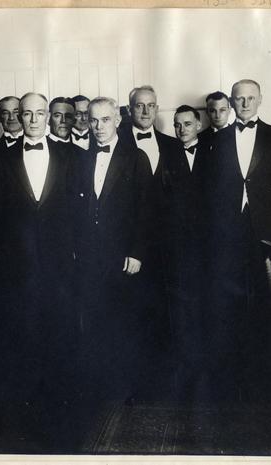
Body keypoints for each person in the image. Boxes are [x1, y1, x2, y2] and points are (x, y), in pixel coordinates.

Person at [0, 92, 76, 451]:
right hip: (18, 267)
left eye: (41, 113)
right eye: (27, 114)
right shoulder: (3, 157)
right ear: (19, 117)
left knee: (59, 338)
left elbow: (79, 214)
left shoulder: (71, 156)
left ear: (49, 116)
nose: (35, 120)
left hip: (60, 269)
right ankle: (24, 420)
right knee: (21, 339)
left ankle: (60, 416)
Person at [205, 79, 271, 403]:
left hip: (267, 234)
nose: (244, 104)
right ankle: (232, 374)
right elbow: (205, 191)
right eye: (239, 99)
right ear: (231, 102)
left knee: (266, 298)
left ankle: (264, 375)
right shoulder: (215, 140)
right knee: (228, 301)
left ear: (260, 100)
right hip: (226, 234)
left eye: (250, 98)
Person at [72, 96, 153, 406]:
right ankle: (99, 387)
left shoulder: (136, 158)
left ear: (118, 120)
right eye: (93, 120)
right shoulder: (81, 159)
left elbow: (146, 210)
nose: (98, 126)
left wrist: (137, 252)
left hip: (122, 256)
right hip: (89, 256)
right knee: (93, 319)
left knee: (123, 321)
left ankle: (125, 388)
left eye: (105, 120)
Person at [118, 85, 184, 398]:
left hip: (167, 247)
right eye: (139, 106)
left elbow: (184, 198)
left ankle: (163, 383)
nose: (145, 112)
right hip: (131, 247)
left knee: (165, 310)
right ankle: (134, 382)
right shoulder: (114, 142)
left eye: (150, 106)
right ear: (129, 109)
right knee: (131, 312)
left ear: (157, 109)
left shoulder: (172, 146)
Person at [169, 105, 211, 400]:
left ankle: (207, 363)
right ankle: (186, 361)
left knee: (208, 300)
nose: (181, 129)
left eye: (187, 123)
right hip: (178, 244)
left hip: (209, 244)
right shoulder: (167, 155)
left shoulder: (214, 153)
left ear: (198, 125)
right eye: (177, 124)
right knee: (182, 302)